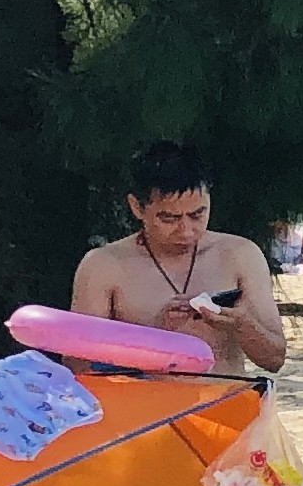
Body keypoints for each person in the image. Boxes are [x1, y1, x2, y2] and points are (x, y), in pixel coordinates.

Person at [70, 141, 288, 373]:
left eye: (197, 214)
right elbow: (77, 365)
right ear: (137, 207)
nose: (186, 230)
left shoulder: (239, 255)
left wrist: (242, 325)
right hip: (144, 405)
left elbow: (274, 359)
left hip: (227, 402)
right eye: (169, 218)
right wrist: (153, 336)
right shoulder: (104, 265)